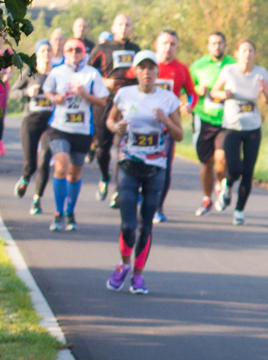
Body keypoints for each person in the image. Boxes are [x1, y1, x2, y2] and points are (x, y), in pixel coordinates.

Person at [105, 51, 184, 294]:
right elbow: (110, 121)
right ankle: (124, 265)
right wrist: (115, 126)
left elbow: (179, 135)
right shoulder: (124, 94)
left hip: (155, 167)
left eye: (151, 68)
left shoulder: (168, 99)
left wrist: (166, 121)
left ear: (157, 72)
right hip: (128, 163)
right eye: (142, 68)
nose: (147, 72)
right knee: (128, 224)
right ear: (136, 72)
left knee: (146, 224)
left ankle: (138, 275)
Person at [40, 37, 110, 231]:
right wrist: (55, 97)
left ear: (84, 53)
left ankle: (70, 212)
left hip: (82, 129)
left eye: (77, 50)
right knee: (61, 167)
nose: (73, 53)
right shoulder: (57, 72)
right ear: (64, 52)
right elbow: (46, 91)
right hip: (60, 128)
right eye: (69, 50)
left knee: (74, 173)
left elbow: (103, 101)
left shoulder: (92, 74)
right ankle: (58, 212)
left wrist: (85, 95)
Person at [211, 39, 268, 224]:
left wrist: (264, 91)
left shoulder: (261, 73)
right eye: (244, 50)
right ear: (236, 53)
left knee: (248, 171)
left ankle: (239, 211)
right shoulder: (229, 71)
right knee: (235, 167)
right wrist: (224, 95)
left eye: (251, 51)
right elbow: (214, 92)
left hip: (253, 128)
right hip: (232, 127)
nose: (247, 54)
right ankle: (227, 186)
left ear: (255, 54)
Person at [89, 12, 141, 203]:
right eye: (120, 24)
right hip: (105, 102)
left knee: (122, 147)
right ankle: (104, 177)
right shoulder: (101, 49)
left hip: (126, 104)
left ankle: (119, 190)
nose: (123, 28)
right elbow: (88, 72)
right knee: (103, 148)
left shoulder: (136, 50)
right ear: (113, 27)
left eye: (127, 25)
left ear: (131, 28)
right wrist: (103, 81)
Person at [151, 29, 197, 223]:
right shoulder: (147, 65)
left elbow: (192, 93)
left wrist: (189, 105)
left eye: (172, 44)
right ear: (156, 45)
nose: (168, 48)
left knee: (166, 166)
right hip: (145, 124)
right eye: (164, 43)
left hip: (169, 125)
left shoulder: (181, 69)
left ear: (177, 47)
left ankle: (158, 207)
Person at [190, 31, 236, 215]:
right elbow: (188, 86)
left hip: (226, 118)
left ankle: (220, 183)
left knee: (221, 157)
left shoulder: (233, 65)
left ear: (225, 45)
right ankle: (207, 198)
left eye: (220, 43)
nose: (217, 46)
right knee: (206, 162)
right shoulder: (198, 66)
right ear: (208, 46)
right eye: (213, 43)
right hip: (204, 117)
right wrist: (197, 89)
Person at [14, 40, 56, 211]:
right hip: (30, 122)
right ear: (37, 54)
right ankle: (25, 178)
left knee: (45, 159)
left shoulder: (57, 74)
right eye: (43, 50)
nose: (46, 53)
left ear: (53, 54)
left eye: (49, 50)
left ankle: (37, 198)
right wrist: (27, 92)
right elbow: (13, 92)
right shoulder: (29, 72)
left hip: (51, 123)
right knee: (31, 164)